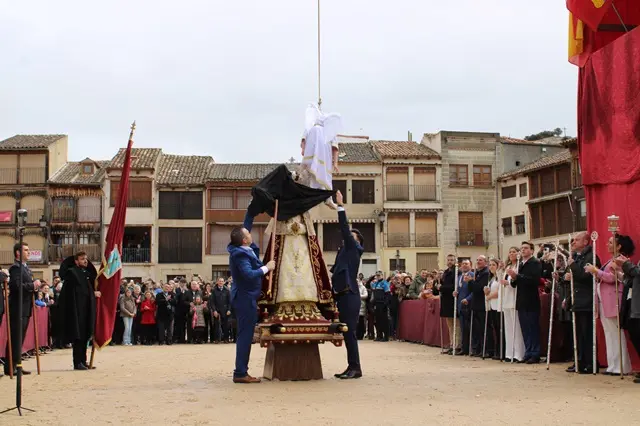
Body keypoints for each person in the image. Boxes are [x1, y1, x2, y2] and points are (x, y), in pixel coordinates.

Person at [228, 210, 276, 384]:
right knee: (245, 336)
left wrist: (251, 212)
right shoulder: (240, 254)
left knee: (246, 335)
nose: (250, 233)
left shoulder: (242, 248)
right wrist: (267, 268)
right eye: (247, 234)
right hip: (245, 298)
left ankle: (241, 371)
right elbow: (248, 274)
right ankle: (240, 372)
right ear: (244, 240)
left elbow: (245, 227)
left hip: (245, 297)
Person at [585, 234, 633, 375]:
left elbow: (613, 278)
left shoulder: (622, 260)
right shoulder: (610, 260)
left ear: (619, 246)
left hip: (614, 300)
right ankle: (613, 365)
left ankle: (621, 366)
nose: (607, 244)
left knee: (616, 334)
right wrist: (596, 273)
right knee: (609, 334)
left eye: (611, 242)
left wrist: (596, 271)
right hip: (604, 301)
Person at [330, 190, 365, 379]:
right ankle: (351, 366)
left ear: (357, 241)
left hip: (350, 294)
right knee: (346, 333)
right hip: (342, 295)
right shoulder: (343, 252)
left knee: (350, 333)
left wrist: (340, 206)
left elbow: (344, 227)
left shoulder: (354, 248)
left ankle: (356, 368)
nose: (347, 237)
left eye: (351, 236)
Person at [563, 232, 601, 373]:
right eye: (573, 240)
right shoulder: (576, 257)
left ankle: (590, 363)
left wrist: (573, 266)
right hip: (576, 300)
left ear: (585, 242)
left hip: (586, 300)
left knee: (587, 334)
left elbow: (585, 277)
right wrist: (565, 277)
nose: (573, 242)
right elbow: (570, 277)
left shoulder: (591, 257)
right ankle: (579, 361)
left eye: (577, 240)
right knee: (578, 335)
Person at [57, 252, 100, 370]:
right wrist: (93, 293)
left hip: (85, 309)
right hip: (77, 310)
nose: (85, 261)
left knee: (85, 335)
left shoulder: (85, 273)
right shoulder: (72, 273)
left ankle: (83, 360)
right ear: (76, 261)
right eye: (82, 259)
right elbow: (79, 292)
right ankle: (77, 362)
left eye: (86, 259)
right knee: (78, 336)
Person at [298, 103, 342, 209]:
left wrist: (303, 150)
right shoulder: (318, 129)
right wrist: (335, 163)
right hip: (319, 159)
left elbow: (303, 140)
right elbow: (335, 149)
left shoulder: (314, 128)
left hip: (317, 158)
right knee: (322, 177)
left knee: (315, 175)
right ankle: (327, 198)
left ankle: (327, 198)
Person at [507, 241, 542, 364]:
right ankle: (528, 352)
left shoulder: (535, 263)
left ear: (532, 250)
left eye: (526, 248)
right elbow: (515, 284)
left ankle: (535, 353)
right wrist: (513, 278)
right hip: (521, 300)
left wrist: (518, 276)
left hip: (531, 300)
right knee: (525, 329)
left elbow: (534, 280)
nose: (523, 250)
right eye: (522, 248)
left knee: (532, 328)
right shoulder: (520, 264)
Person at [501, 247, 526, 362]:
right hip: (506, 299)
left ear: (518, 254)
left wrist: (509, 283)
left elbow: (517, 281)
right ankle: (509, 353)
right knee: (509, 328)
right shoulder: (508, 267)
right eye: (510, 252)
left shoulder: (519, 266)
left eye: (514, 252)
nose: (511, 254)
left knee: (517, 328)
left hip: (515, 298)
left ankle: (518, 354)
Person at [469, 256, 492, 357]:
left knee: (484, 328)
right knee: (477, 329)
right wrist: (470, 282)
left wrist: (471, 281)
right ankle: (479, 348)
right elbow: (472, 289)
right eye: (477, 260)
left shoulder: (486, 273)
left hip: (482, 304)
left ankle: (487, 349)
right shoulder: (477, 273)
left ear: (485, 262)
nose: (478, 261)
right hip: (476, 304)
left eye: (480, 260)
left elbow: (479, 288)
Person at [438, 254, 460, 355]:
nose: (450, 262)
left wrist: (441, 287)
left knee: (456, 325)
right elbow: (443, 285)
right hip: (446, 301)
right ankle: (451, 344)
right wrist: (439, 284)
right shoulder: (446, 272)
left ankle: (457, 345)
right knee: (450, 325)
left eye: (452, 260)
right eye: (448, 260)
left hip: (453, 300)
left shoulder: (457, 272)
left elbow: (454, 286)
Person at [210, 277, 232, 343]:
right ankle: (217, 339)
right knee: (216, 325)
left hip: (225, 311)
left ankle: (226, 339)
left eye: (222, 281)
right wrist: (214, 310)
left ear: (224, 282)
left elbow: (230, 302)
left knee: (226, 326)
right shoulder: (214, 290)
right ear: (217, 282)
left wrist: (229, 310)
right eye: (219, 281)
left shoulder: (227, 290)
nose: (221, 282)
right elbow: (212, 302)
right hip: (217, 311)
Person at [371, 271, 391, 342]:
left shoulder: (385, 283)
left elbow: (388, 295)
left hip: (383, 304)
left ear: (382, 275)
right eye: (377, 275)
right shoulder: (375, 284)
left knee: (384, 321)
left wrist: (385, 304)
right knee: (377, 321)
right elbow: (374, 295)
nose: (378, 276)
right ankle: (379, 336)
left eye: (379, 275)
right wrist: (372, 304)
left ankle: (386, 336)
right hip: (377, 304)